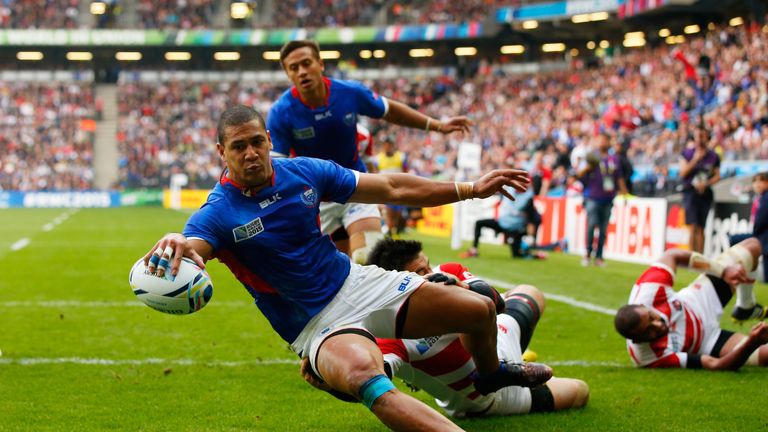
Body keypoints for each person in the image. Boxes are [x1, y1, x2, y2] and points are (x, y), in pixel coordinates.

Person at [144, 105, 549, 431]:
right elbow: (194, 245)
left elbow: (391, 188)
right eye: (237, 147)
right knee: (370, 382)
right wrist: (180, 243)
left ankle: (491, 375)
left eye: (256, 142)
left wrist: (469, 189)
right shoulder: (217, 212)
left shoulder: (303, 171)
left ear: (269, 141)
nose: (250, 154)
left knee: (477, 310)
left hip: (356, 282)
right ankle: (340, 372)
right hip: (316, 325)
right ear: (221, 152)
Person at [267, 40, 472, 264]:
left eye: (306, 63)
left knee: (369, 258)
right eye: (294, 68)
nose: (302, 72)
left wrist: (437, 125)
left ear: (321, 64)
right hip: (315, 198)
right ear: (287, 74)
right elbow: (277, 170)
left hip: (356, 188)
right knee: (338, 272)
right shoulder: (281, 112)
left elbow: (391, 111)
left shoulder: (349, 93)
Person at [340, 238, 589, 418]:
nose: (431, 274)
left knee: (530, 293)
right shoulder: (390, 333)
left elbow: (498, 303)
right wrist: (330, 379)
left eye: (428, 266)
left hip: (496, 343)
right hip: (483, 396)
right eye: (420, 272)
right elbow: (369, 379)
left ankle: (508, 364)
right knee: (579, 391)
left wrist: (464, 288)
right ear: (398, 284)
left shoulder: (447, 273)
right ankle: (495, 378)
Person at [614, 237, 768, 370]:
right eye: (648, 331)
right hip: (707, 340)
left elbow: (673, 255)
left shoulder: (649, 290)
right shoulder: (648, 356)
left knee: (752, 247)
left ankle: (745, 306)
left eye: (651, 317)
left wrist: (722, 271)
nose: (658, 325)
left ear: (644, 306)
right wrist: (752, 342)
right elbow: (716, 365)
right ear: (637, 341)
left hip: (700, 299)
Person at [578, 133, 628, 267]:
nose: (602, 142)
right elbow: (579, 174)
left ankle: (599, 257)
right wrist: (588, 167)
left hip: (608, 198)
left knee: (603, 229)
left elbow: (619, 178)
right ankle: (588, 254)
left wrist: (625, 195)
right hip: (593, 197)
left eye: (605, 140)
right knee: (591, 225)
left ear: (609, 142)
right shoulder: (592, 157)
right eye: (600, 140)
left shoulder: (614, 159)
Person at [728, 172, 768, 320]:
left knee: (739, 243)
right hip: (760, 236)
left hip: (763, 238)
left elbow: (760, 222)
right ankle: (745, 303)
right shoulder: (760, 198)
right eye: (755, 182)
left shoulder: (766, 198)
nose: (757, 185)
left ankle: (745, 304)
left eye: (761, 181)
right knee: (735, 242)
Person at [679, 127, 720, 253]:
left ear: (707, 138)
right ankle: (691, 257)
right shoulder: (687, 153)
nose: (700, 139)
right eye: (697, 136)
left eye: (702, 136)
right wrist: (695, 159)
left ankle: (699, 257)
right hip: (690, 193)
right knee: (693, 226)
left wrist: (706, 184)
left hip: (705, 193)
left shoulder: (714, 156)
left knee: (702, 227)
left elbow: (717, 176)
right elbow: (683, 173)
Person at [376, 136, 409, 237]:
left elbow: (406, 171)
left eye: (389, 144)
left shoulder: (401, 157)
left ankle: (394, 232)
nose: (387, 147)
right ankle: (389, 235)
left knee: (398, 217)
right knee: (389, 216)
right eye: (385, 144)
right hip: (386, 191)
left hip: (399, 191)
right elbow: (375, 174)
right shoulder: (378, 159)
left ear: (393, 145)